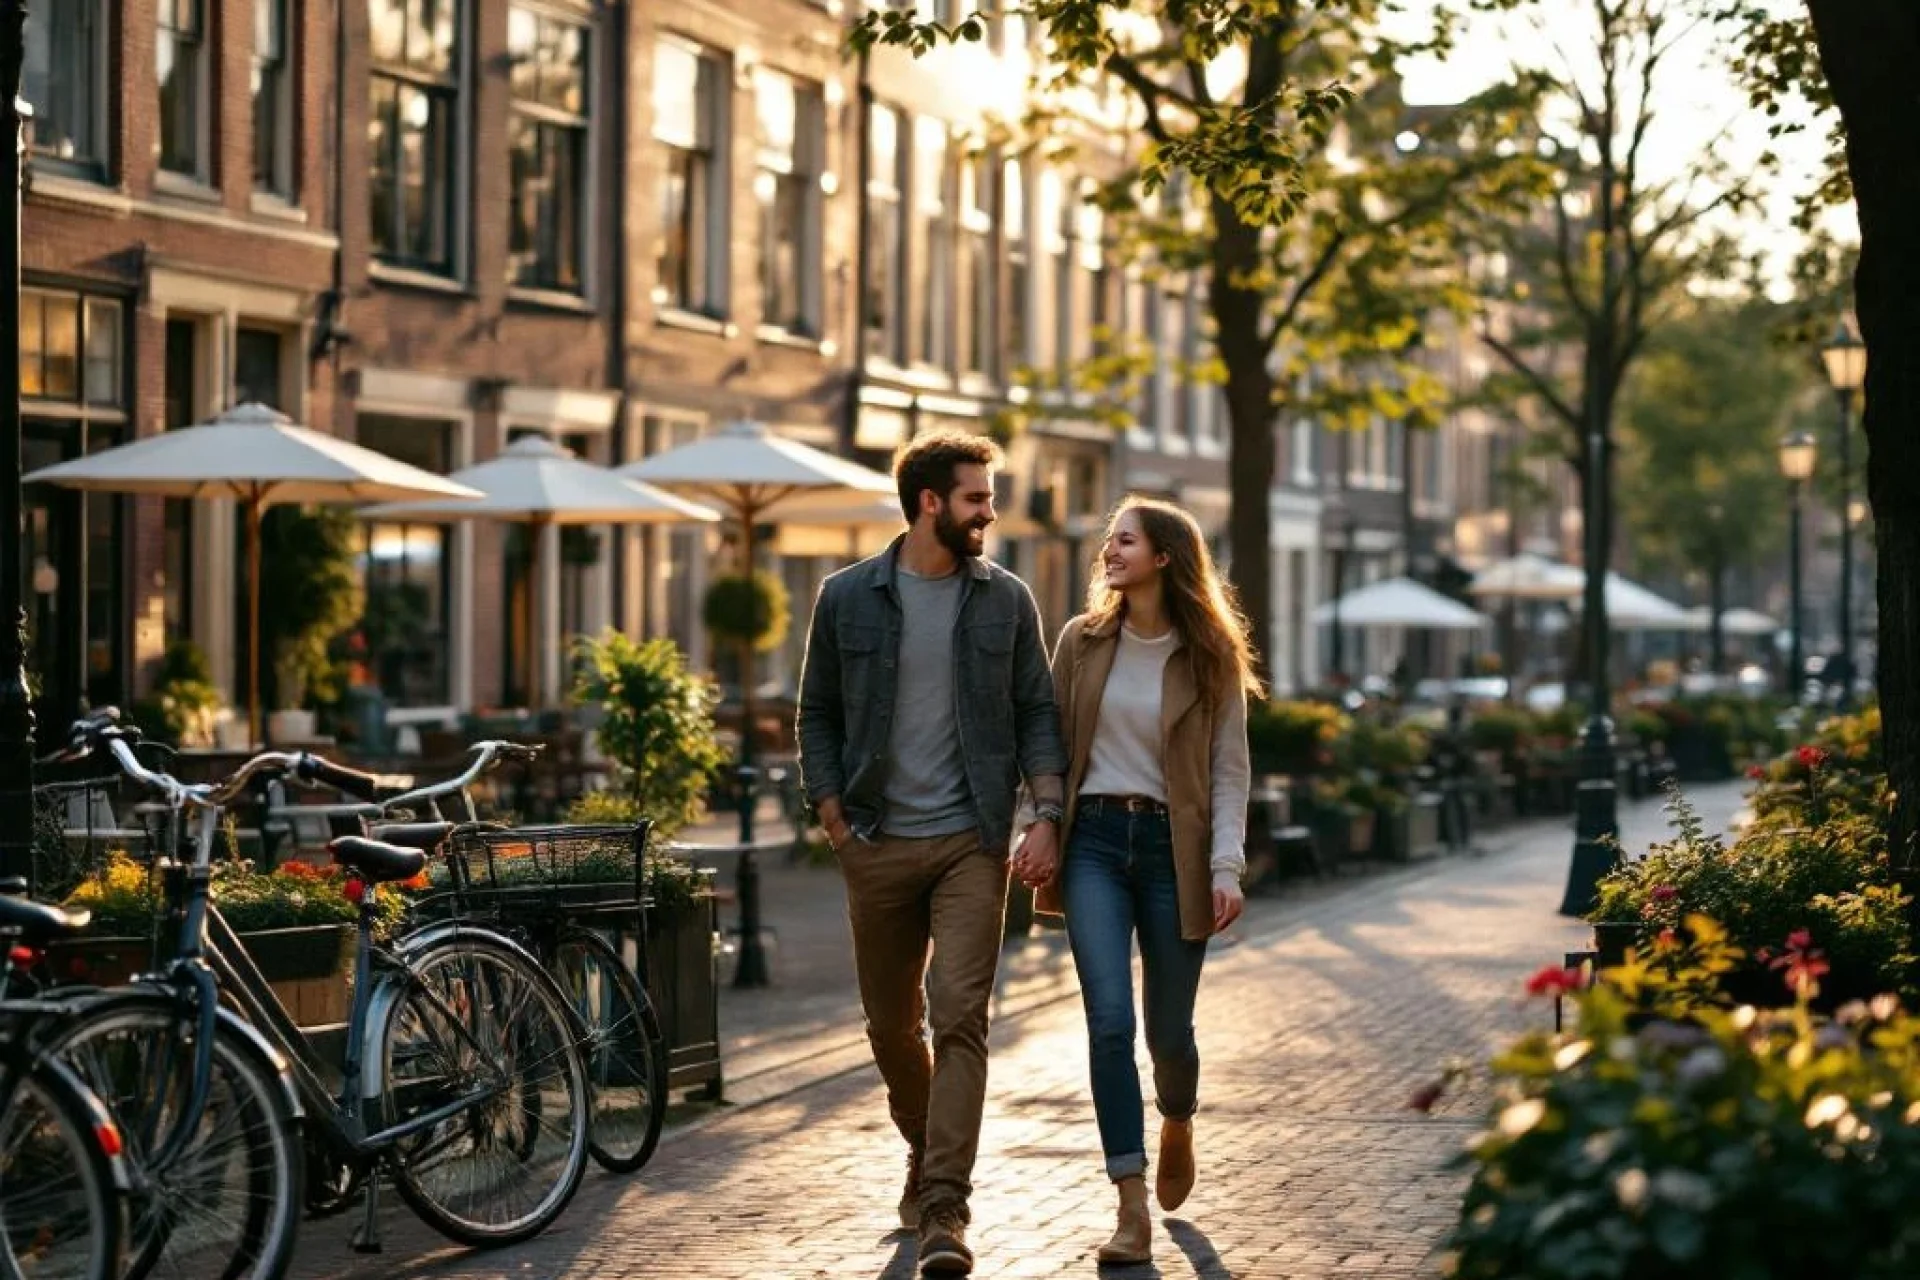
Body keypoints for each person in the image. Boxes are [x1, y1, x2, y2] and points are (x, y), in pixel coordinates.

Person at [796, 430, 1067, 1277]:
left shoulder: (1006, 599)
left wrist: (1045, 811)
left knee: (960, 1017)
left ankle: (946, 1205)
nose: (990, 511)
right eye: (977, 498)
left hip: (971, 843)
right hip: (874, 840)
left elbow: (1035, 712)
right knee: (889, 1025)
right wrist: (833, 812)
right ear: (929, 504)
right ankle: (924, 1146)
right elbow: (817, 714)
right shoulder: (845, 597)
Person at [1028, 496, 1259, 1265]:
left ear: (1164, 556)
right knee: (1107, 1023)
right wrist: (1038, 821)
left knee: (1168, 1034)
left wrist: (1226, 866)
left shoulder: (1210, 658)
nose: (1109, 551)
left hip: (1174, 853)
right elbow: (1051, 747)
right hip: (1093, 842)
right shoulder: (1082, 641)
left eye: (1124, 540)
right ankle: (1129, 1205)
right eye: (1109, 540)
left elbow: (1229, 774)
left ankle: (1179, 1116)